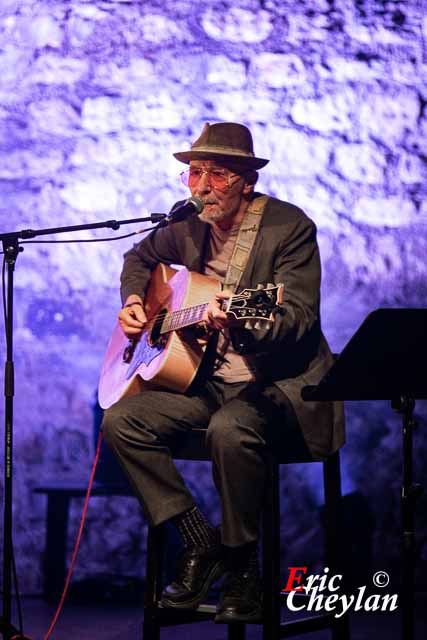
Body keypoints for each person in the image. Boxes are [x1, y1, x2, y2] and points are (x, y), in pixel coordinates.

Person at [102, 122, 344, 624]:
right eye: (194, 173)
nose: (201, 185)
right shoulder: (187, 226)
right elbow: (138, 257)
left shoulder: (288, 228)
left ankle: (244, 567)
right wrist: (132, 301)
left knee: (230, 430)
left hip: (278, 390)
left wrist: (244, 323)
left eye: (217, 173)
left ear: (246, 182)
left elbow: (297, 320)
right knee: (122, 420)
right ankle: (198, 540)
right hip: (208, 383)